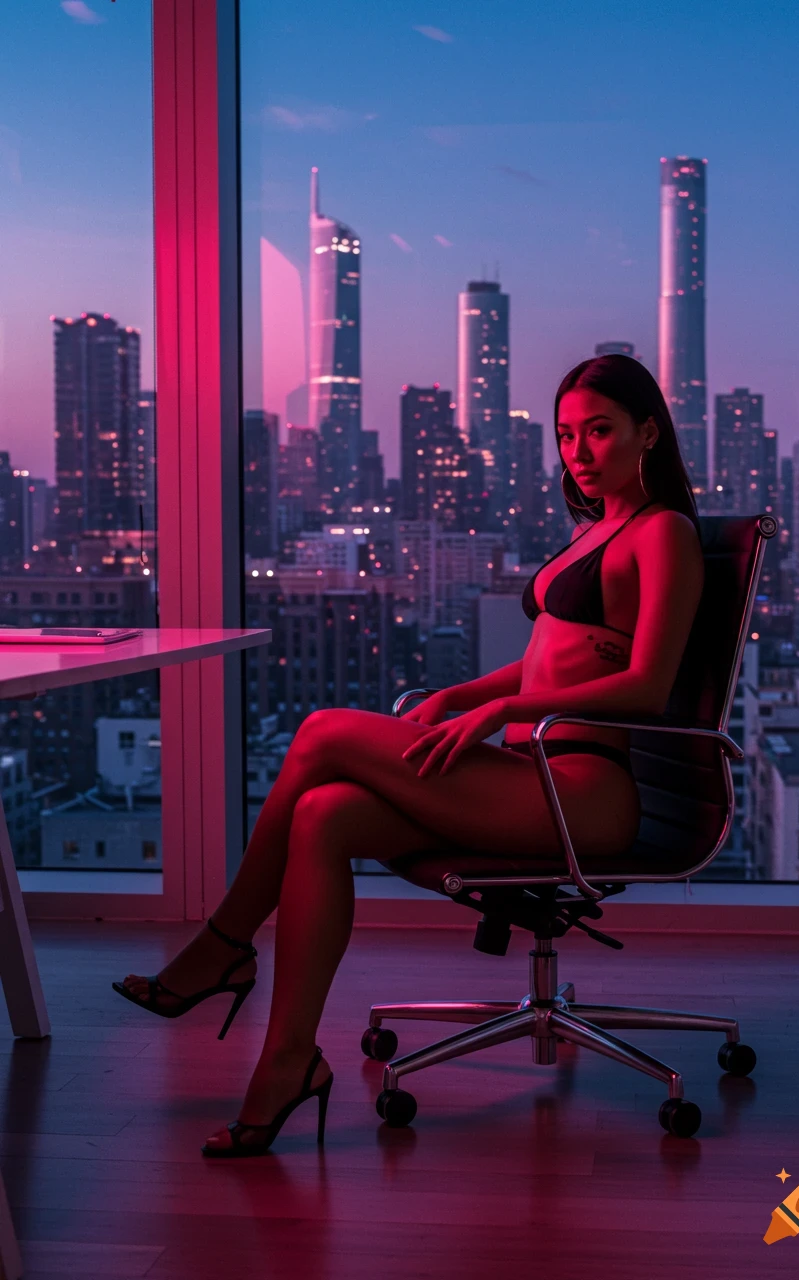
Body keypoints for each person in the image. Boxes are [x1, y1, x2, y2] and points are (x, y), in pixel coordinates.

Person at [113, 353, 705, 1157]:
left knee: (323, 730)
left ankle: (224, 945)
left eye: (599, 431)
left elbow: (646, 686)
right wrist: (466, 695)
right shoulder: (593, 530)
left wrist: (506, 708)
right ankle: (288, 1062)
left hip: (584, 793)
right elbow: (554, 659)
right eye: (566, 436)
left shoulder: (664, 531)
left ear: (648, 431)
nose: (579, 452)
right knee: (324, 814)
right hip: (532, 777)